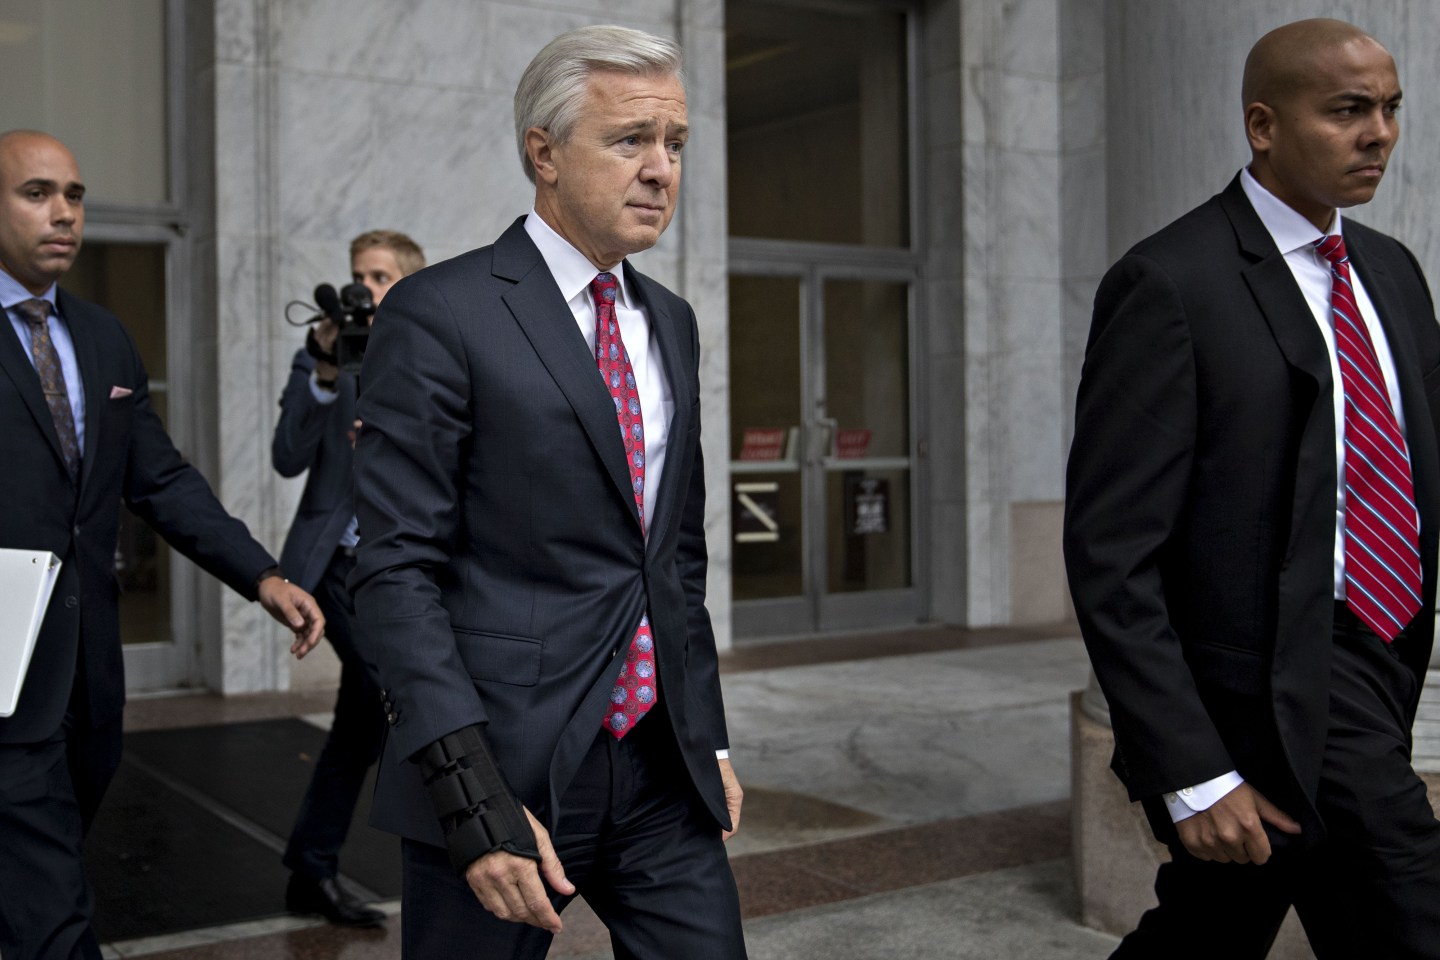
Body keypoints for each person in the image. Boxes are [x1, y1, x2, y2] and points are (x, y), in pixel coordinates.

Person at [348, 25, 747, 960]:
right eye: (629, 141)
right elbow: (396, 571)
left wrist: (710, 738)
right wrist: (471, 798)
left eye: (675, 144)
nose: (661, 169)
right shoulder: (441, 311)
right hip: (501, 774)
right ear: (544, 153)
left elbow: (673, 556)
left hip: (657, 767)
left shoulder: (671, 322)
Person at [1064, 18, 1440, 959]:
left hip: (1382, 664)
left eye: (1391, 109)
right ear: (1263, 126)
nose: (1379, 133)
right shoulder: (1170, 281)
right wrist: (1190, 770)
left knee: (1211, 925)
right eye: (1348, 110)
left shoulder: (1392, 273)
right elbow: (1113, 555)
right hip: (1268, 686)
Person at [0, 129, 325, 960]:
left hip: (86, 671)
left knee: (44, 858)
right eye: (37, 193)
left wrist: (261, 575)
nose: (64, 213)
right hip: (3, 667)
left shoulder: (102, 337)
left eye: (74, 196)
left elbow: (162, 480)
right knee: (51, 904)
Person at [273, 229, 425, 927]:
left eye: (382, 275)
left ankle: (312, 868)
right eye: (359, 274)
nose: (366, 286)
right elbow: (286, 456)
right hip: (338, 563)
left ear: (411, 286)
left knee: (361, 723)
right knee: (394, 693)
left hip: (405, 565)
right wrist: (324, 372)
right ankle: (450, 860)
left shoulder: (430, 355)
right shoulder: (327, 358)